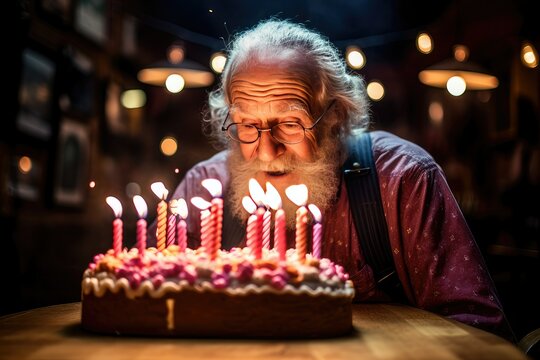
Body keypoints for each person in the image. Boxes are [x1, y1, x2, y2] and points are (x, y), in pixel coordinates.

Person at [150, 18, 515, 341]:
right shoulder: (205, 189)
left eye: (290, 124)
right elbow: (155, 308)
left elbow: (476, 331)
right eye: (247, 125)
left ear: (335, 117)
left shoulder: (402, 181)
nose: (265, 151)